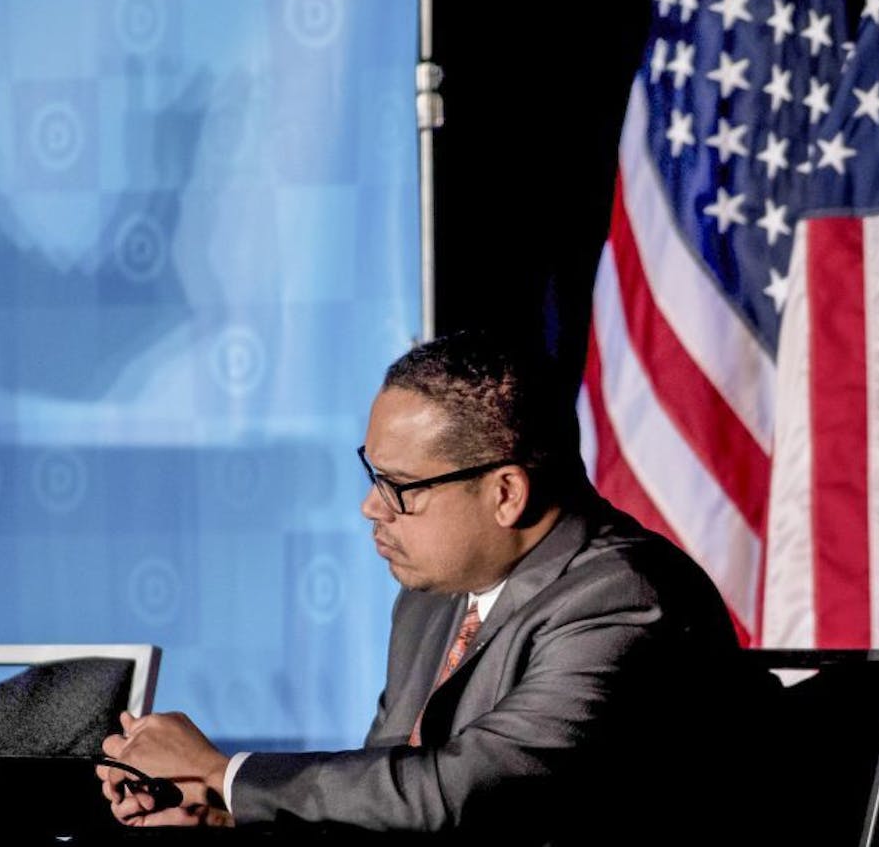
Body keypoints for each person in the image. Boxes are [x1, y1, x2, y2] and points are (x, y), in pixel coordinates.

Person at [97, 329, 765, 842]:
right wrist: (216, 808)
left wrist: (227, 770)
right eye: (372, 475)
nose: (371, 507)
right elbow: (385, 795)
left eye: (400, 487)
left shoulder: (625, 599)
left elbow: (465, 794)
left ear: (506, 492)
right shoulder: (431, 596)